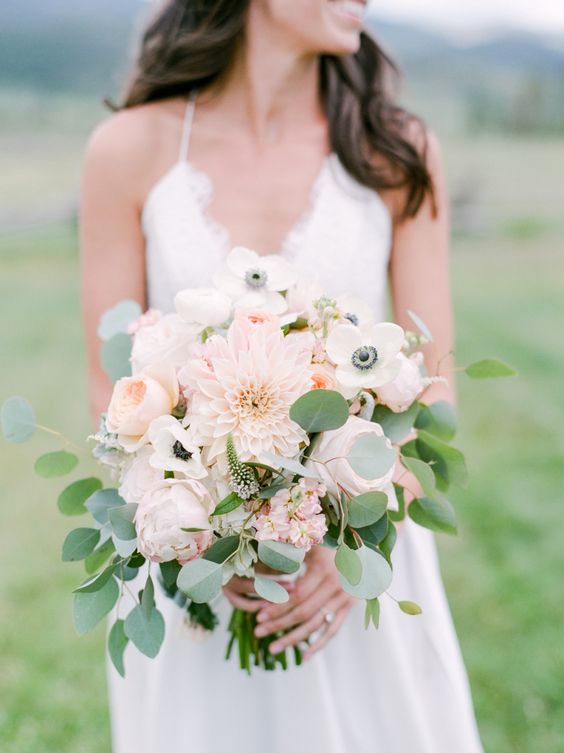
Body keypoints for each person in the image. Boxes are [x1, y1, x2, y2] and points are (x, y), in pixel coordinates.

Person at [80, 1, 484, 751]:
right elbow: (114, 393)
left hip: (357, 562)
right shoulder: (127, 150)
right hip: (195, 569)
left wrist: (361, 530)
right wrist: (206, 534)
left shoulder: (395, 149)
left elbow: (433, 391)